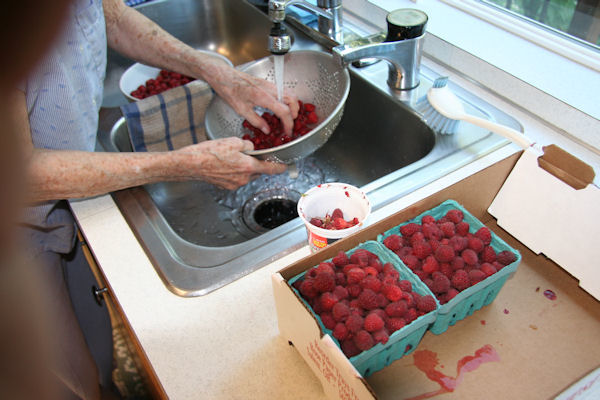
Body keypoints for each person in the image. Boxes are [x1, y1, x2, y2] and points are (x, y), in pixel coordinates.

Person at [11, 0, 299, 398]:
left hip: (61, 205)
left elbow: (106, 14)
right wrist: (180, 165)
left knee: (94, 358)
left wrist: (210, 67)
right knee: (61, 384)